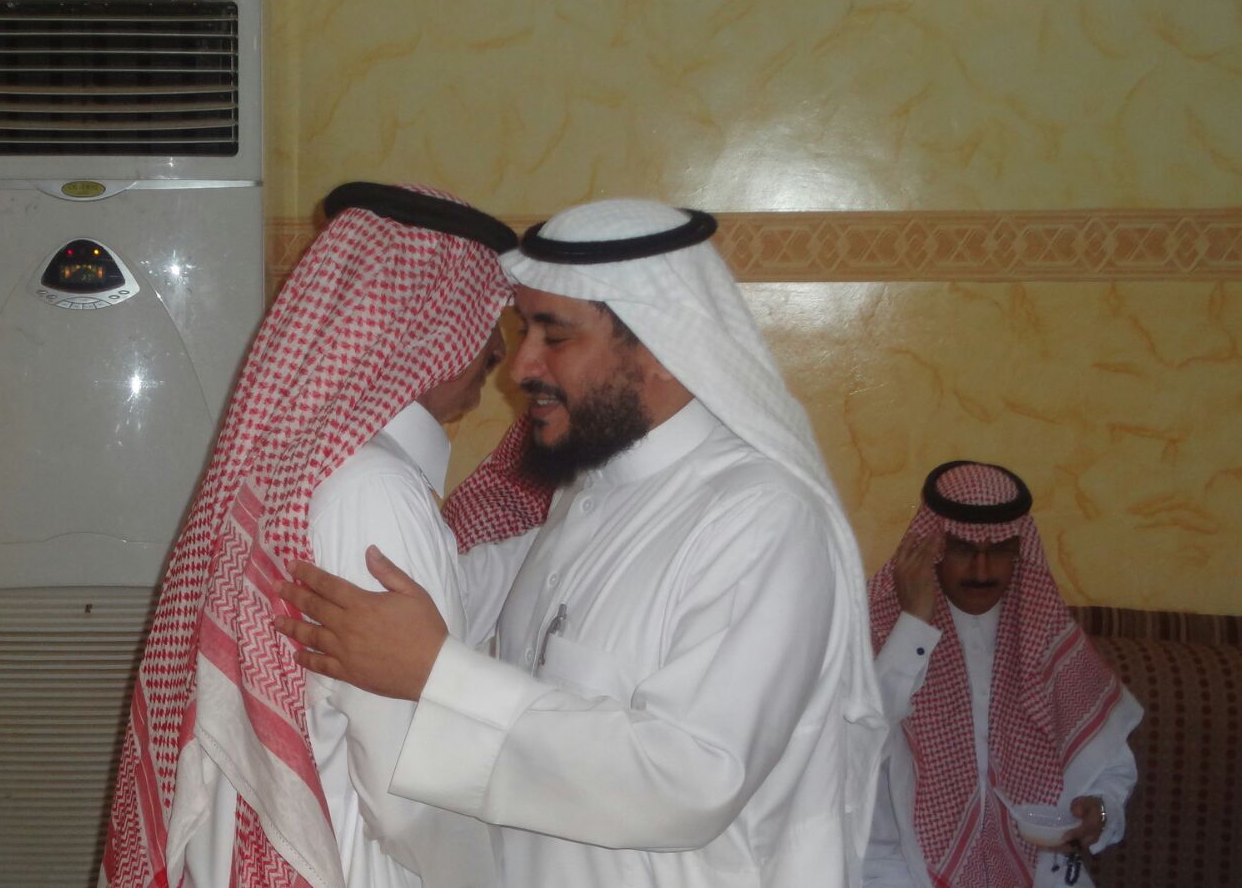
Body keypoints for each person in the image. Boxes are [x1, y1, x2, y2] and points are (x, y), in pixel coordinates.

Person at [274, 198, 888, 888]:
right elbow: (530, 582)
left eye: (555, 336)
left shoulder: (763, 520)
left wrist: (434, 672)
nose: (519, 366)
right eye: (522, 329)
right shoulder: (596, 486)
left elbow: (691, 779)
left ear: (660, 348)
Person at [101, 182, 517, 888]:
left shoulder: (315, 467)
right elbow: (411, 796)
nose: (498, 346)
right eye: (484, 313)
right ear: (423, 320)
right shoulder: (373, 489)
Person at [863, 460, 1142, 888]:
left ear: (1019, 549)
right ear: (934, 547)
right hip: (902, 869)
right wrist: (914, 624)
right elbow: (855, 739)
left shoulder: (1044, 633)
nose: (982, 571)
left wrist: (1101, 810)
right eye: (962, 549)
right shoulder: (878, 627)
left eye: (999, 550)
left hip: (1038, 866)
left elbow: (1112, 766)